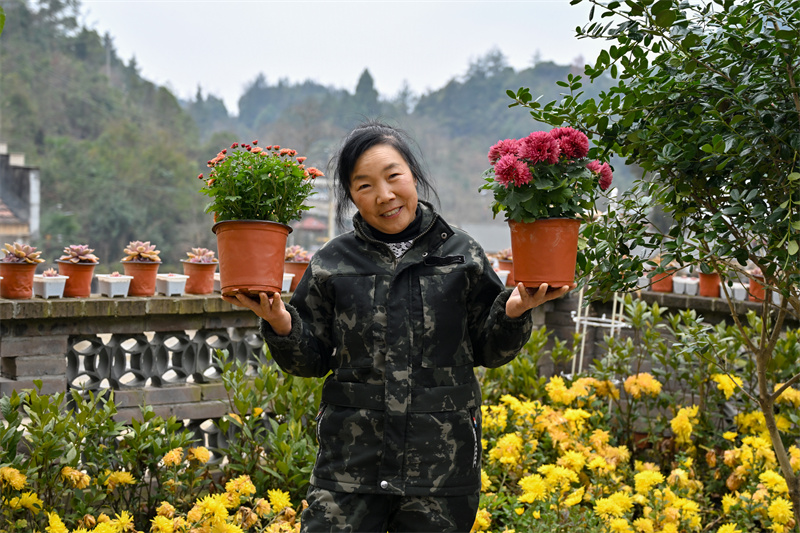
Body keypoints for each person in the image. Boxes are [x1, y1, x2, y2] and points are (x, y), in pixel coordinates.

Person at [224, 121, 574, 532]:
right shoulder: (333, 262)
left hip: (439, 468)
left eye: (394, 176)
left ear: (414, 175)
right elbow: (311, 360)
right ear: (351, 196)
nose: (385, 196)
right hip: (350, 467)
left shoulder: (462, 254)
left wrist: (513, 311)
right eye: (365, 185)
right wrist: (280, 321)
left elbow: (490, 351)